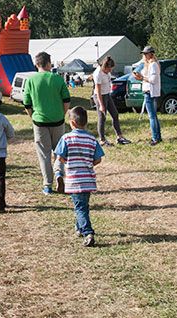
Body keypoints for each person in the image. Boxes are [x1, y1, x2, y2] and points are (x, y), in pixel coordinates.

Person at [22, 51, 71, 195]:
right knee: (59, 151)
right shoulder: (57, 79)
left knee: (44, 154)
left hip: (39, 122)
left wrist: (32, 117)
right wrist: (61, 113)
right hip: (58, 121)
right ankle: (59, 174)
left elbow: (27, 103)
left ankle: (47, 185)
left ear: (36, 64)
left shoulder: (31, 80)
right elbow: (66, 100)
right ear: (49, 64)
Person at [54, 106, 104, 247]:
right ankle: (80, 227)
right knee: (82, 205)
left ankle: (88, 232)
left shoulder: (66, 138)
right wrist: (89, 163)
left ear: (72, 123)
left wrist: (67, 163)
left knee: (79, 207)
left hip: (74, 180)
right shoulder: (91, 139)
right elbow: (98, 159)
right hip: (88, 179)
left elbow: (60, 156)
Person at [92, 56, 131, 146]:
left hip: (107, 95)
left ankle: (119, 136)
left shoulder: (106, 72)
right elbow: (98, 91)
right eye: (109, 69)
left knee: (115, 114)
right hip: (99, 96)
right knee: (102, 117)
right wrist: (101, 105)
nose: (110, 71)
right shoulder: (98, 73)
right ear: (105, 67)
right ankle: (102, 140)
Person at [133, 46, 162, 145]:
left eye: (146, 54)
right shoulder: (148, 64)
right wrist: (138, 76)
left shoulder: (153, 64)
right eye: (144, 54)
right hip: (148, 91)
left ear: (151, 54)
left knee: (152, 116)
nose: (144, 55)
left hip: (150, 92)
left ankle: (155, 138)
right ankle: (157, 136)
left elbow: (153, 80)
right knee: (153, 116)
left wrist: (141, 78)